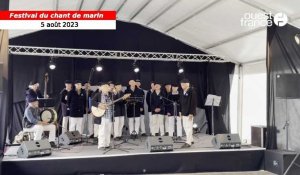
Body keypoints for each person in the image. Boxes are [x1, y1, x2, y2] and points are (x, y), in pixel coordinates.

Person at [92, 82, 113, 149]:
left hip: (109, 115)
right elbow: (92, 102)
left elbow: (112, 103)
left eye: (107, 88)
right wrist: (99, 105)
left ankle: (107, 144)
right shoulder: (98, 95)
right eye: (105, 88)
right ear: (102, 89)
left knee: (108, 131)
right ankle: (101, 145)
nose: (106, 89)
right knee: (102, 131)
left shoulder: (110, 95)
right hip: (102, 116)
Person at [179, 79, 197, 148]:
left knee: (188, 127)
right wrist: (180, 112)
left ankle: (188, 142)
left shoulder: (192, 91)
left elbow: (193, 103)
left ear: (187, 84)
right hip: (183, 112)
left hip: (189, 113)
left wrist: (191, 113)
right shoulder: (182, 91)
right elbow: (180, 102)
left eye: (183, 84)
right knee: (185, 127)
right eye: (181, 84)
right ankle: (191, 139)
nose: (182, 85)